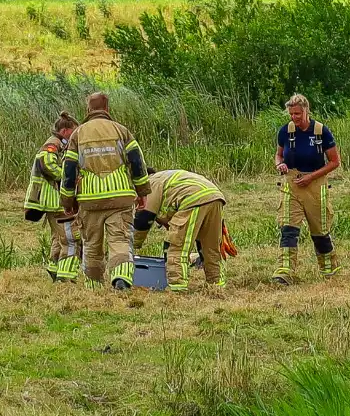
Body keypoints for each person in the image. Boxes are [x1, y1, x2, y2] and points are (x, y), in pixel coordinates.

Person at [60, 92, 151, 290]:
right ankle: (121, 279)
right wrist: (142, 191)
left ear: (88, 110)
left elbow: (68, 170)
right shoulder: (121, 130)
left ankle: (94, 286)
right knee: (120, 239)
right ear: (107, 109)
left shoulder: (78, 134)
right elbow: (137, 163)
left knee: (92, 244)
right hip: (120, 196)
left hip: (90, 199)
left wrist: (67, 201)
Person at [271, 94, 342, 285]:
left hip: (315, 184)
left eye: (298, 113)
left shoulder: (321, 132)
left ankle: (328, 268)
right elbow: (278, 155)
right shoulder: (285, 131)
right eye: (291, 113)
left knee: (319, 230)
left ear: (306, 111)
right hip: (291, 184)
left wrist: (311, 177)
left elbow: (335, 162)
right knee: (288, 228)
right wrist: (280, 165)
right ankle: (285, 271)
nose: (294, 117)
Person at [133, 168, 227, 291]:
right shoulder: (167, 177)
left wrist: (133, 244)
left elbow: (144, 218)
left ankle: (177, 289)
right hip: (215, 197)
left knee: (176, 247)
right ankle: (216, 286)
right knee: (210, 247)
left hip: (192, 200)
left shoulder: (150, 183)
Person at [24, 111, 81, 282]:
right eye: (73, 132)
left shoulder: (58, 144)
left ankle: (54, 268)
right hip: (53, 200)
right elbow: (47, 164)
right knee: (71, 237)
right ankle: (66, 276)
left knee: (58, 236)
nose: (74, 136)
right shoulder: (53, 144)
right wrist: (67, 178)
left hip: (51, 200)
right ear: (65, 131)